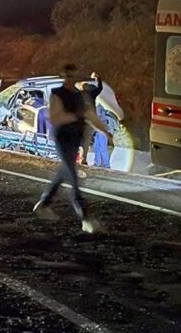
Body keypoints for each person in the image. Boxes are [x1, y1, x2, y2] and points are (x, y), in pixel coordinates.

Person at [33, 64, 112, 234]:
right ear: (63, 77)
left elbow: (90, 115)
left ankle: (44, 203)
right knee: (73, 177)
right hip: (63, 139)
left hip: (76, 138)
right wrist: (76, 115)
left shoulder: (80, 96)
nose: (71, 79)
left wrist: (105, 131)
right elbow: (55, 117)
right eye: (67, 76)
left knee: (64, 172)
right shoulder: (56, 94)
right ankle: (85, 218)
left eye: (73, 76)